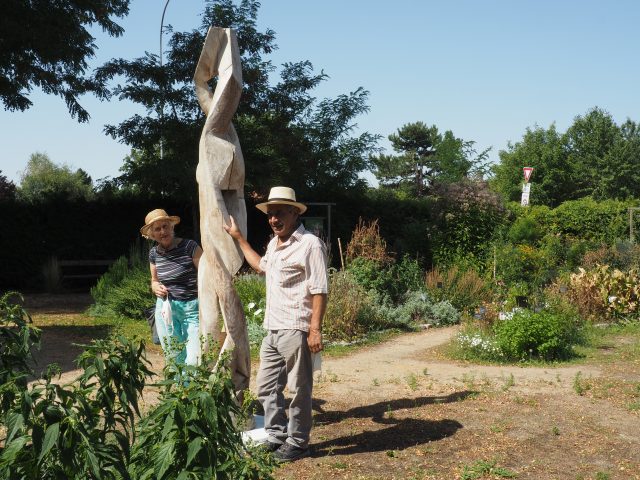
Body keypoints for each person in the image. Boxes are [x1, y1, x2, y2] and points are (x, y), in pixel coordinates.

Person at [223, 186, 328, 463]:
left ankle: (298, 442)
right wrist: (238, 238)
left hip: (297, 328)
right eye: (270, 214)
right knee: (266, 387)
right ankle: (277, 434)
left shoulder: (310, 244)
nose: (273, 219)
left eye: (279, 212)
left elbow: (320, 290)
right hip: (273, 329)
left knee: (299, 390)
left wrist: (315, 329)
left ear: (295, 212)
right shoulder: (274, 243)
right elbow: (260, 266)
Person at [140, 209, 203, 366]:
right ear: (152, 235)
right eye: (157, 229)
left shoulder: (190, 246)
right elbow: (154, 280)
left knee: (194, 359)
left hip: (191, 308)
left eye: (165, 226)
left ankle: (193, 389)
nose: (162, 231)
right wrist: (155, 287)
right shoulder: (154, 253)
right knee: (174, 356)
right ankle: (180, 389)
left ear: (172, 227)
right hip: (166, 309)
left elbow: (205, 276)